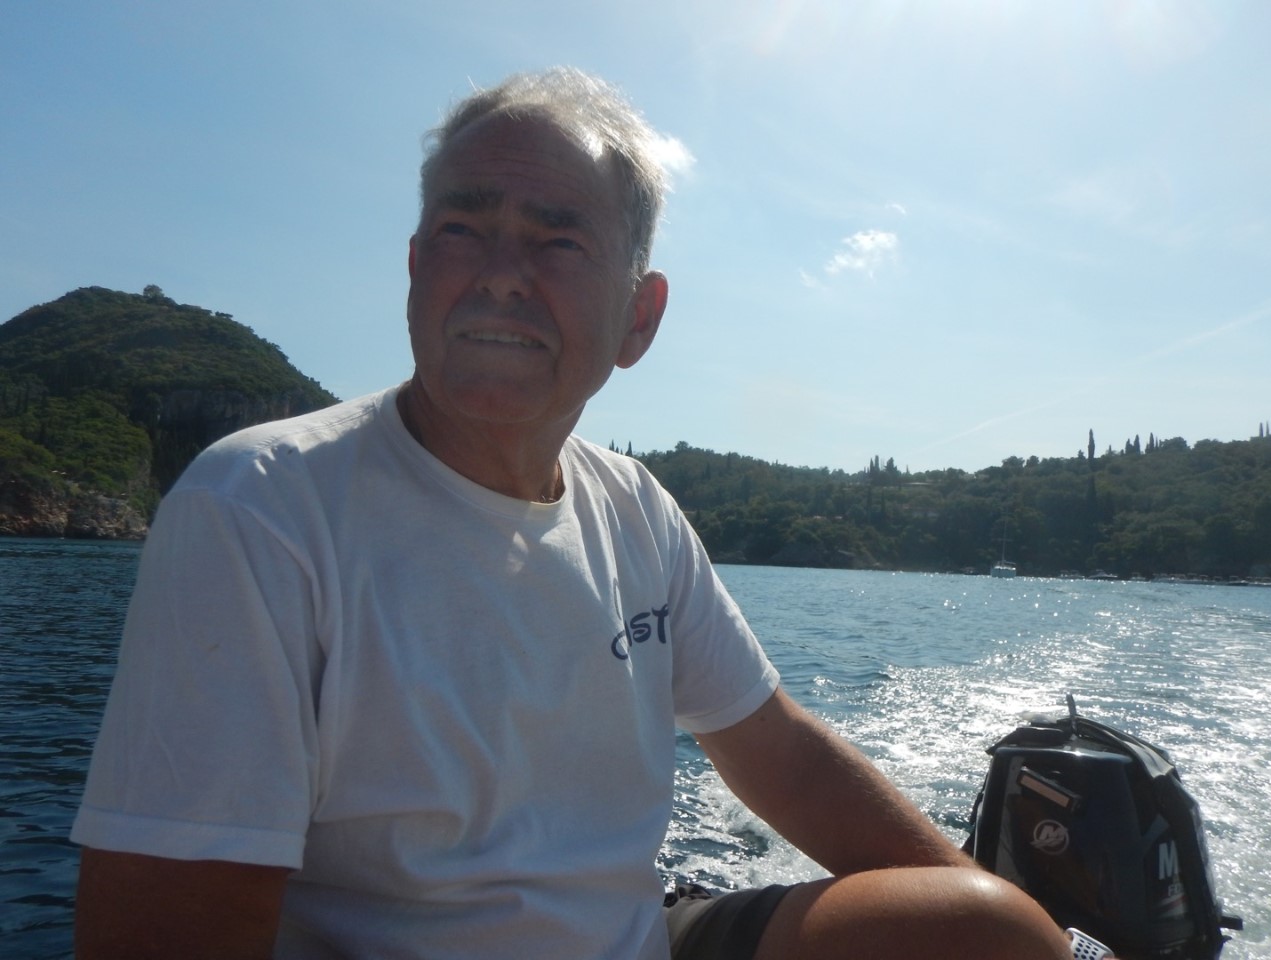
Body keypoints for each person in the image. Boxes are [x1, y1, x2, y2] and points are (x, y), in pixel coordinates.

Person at [71, 68, 1075, 960]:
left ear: (638, 318)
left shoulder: (633, 510)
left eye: (556, 239)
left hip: (638, 936)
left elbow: (780, 756)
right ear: (415, 268)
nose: (499, 272)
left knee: (991, 934)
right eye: (462, 228)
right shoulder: (259, 510)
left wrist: (994, 903)